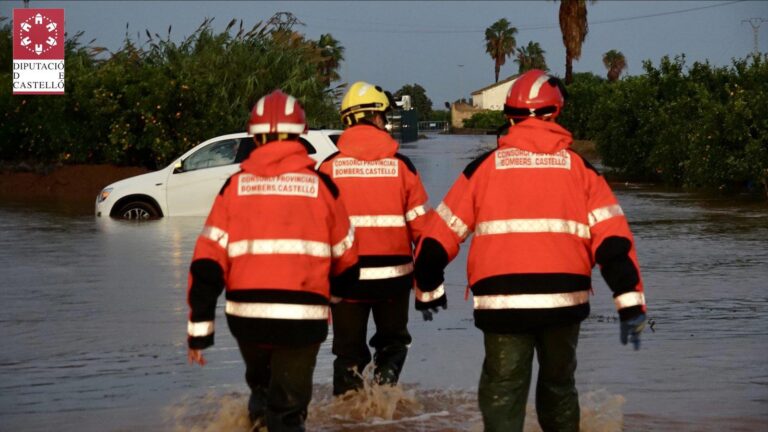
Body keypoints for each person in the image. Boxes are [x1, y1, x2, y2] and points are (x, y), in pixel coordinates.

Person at [413, 69, 647, 432]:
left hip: (502, 304)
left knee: (503, 389)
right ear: (556, 114)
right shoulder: (582, 171)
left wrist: (429, 290)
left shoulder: (483, 170)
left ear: (510, 116)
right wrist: (629, 301)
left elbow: (436, 239)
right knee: (559, 386)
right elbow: (613, 242)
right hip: (564, 302)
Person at [186, 90, 359, 431]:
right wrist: (334, 297)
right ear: (300, 135)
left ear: (255, 136)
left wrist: (199, 332)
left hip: (247, 319)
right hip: (302, 319)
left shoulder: (234, 186)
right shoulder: (323, 187)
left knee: (262, 392)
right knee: (288, 410)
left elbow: (207, 262)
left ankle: (258, 416)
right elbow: (348, 259)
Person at [317, 81, 435, 396]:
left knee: (348, 354)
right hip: (393, 283)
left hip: (346, 282)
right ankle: (384, 406)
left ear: (347, 121)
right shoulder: (402, 167)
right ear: (378, 118)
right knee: (393, 344)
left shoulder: (328, 169)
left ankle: (349, 417)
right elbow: (424, 231)